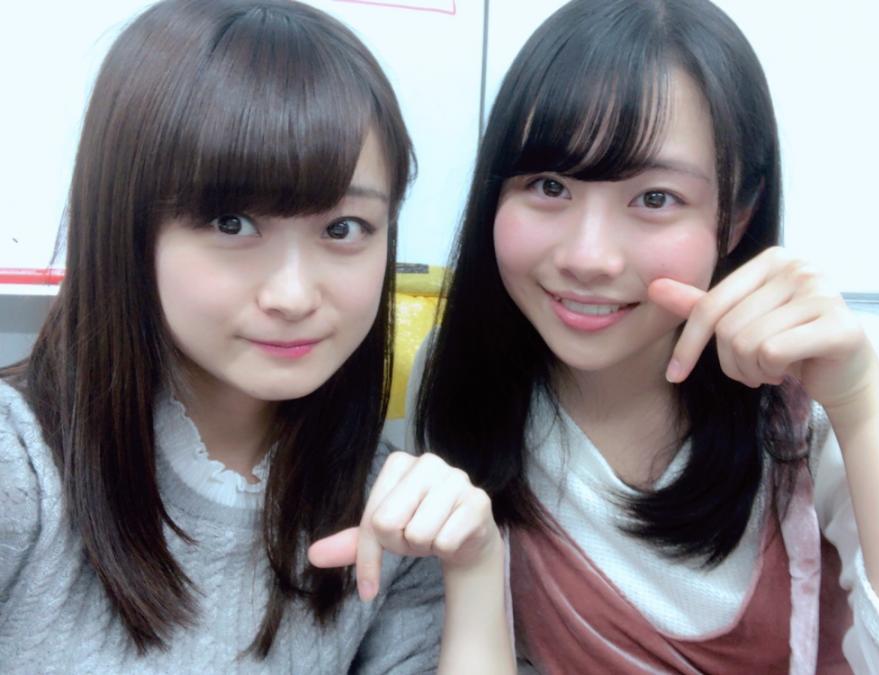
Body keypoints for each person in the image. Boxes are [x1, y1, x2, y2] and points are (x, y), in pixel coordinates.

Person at [0, 1, 512, 672]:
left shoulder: (390, 516)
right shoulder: (20, 468)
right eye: (232, 223)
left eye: (344, 228)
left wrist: (476, 567)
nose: (294, 296)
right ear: (125, 225)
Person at [411, 0, 879, 671]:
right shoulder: (460, 378)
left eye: (655, 198)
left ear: (738, 216)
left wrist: (864, 408)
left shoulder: (833, 381)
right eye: (550, 185)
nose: (588, 257)